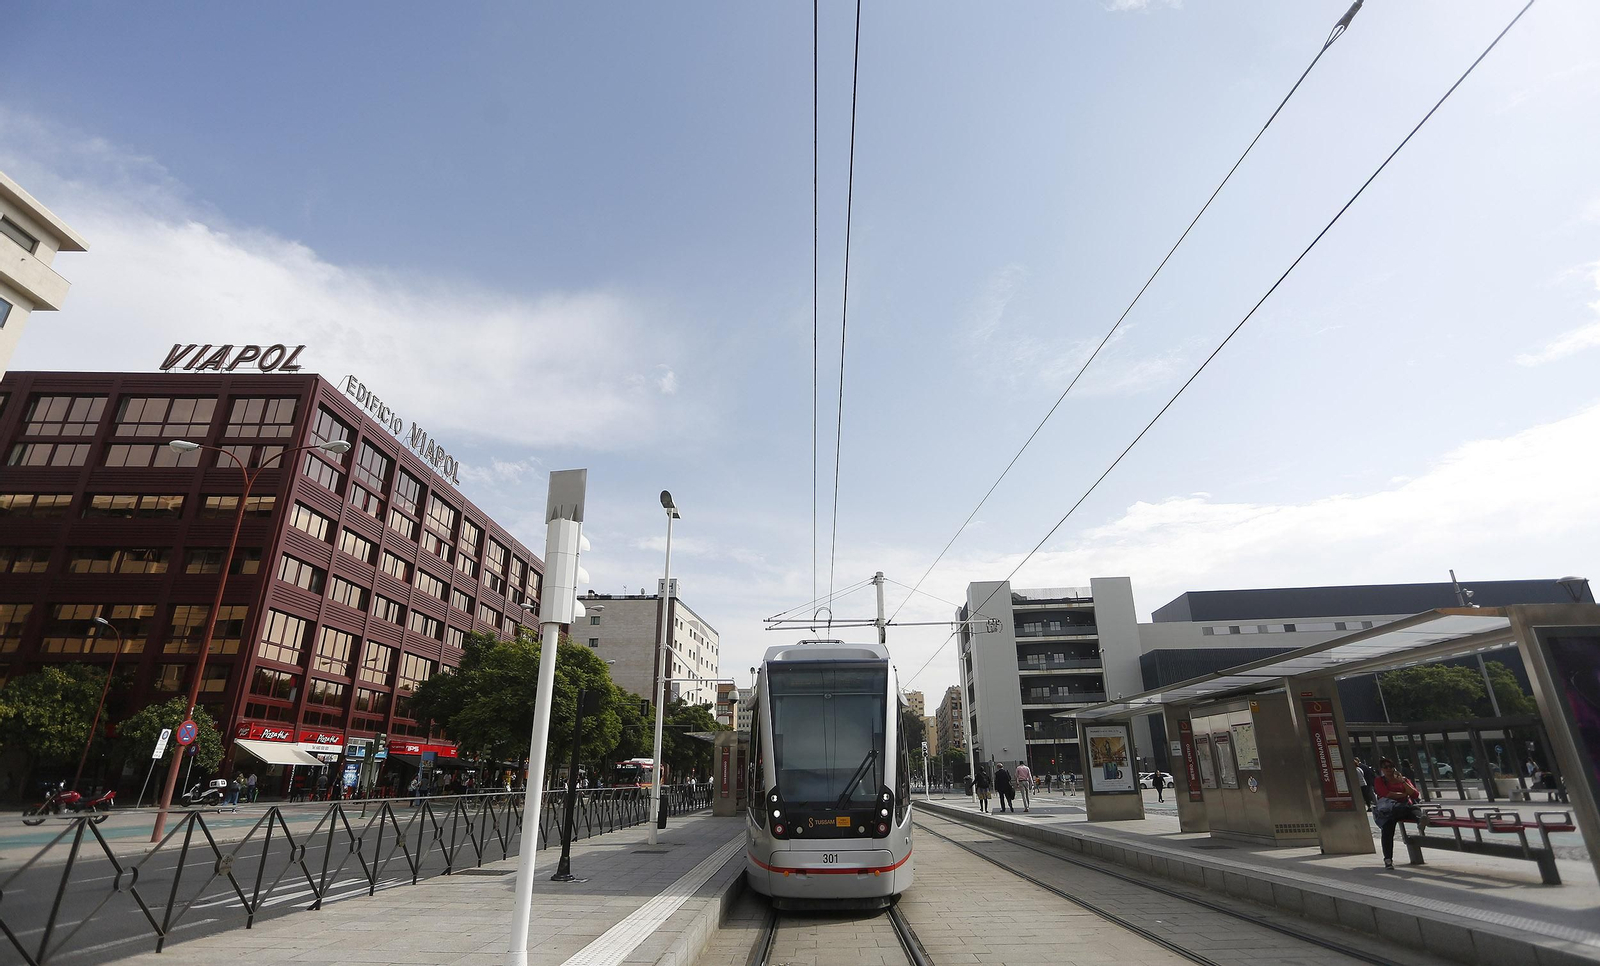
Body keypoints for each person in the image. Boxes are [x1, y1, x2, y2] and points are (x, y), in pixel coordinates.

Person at [1373, 757, 1426, 869]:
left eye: (1391, 766)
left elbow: (1415, 794)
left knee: (1414, 809)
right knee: (1387, 831)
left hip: (1405, 807)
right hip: (1390, 810)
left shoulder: (1404, 779)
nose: (1388, 769)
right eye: (1385, 767)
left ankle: (1421, 820)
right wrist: (1404, 794)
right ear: (1381, 769)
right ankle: (1388, 859)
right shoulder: (1380, 781)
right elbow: (1386, 794)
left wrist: (1402, 782)